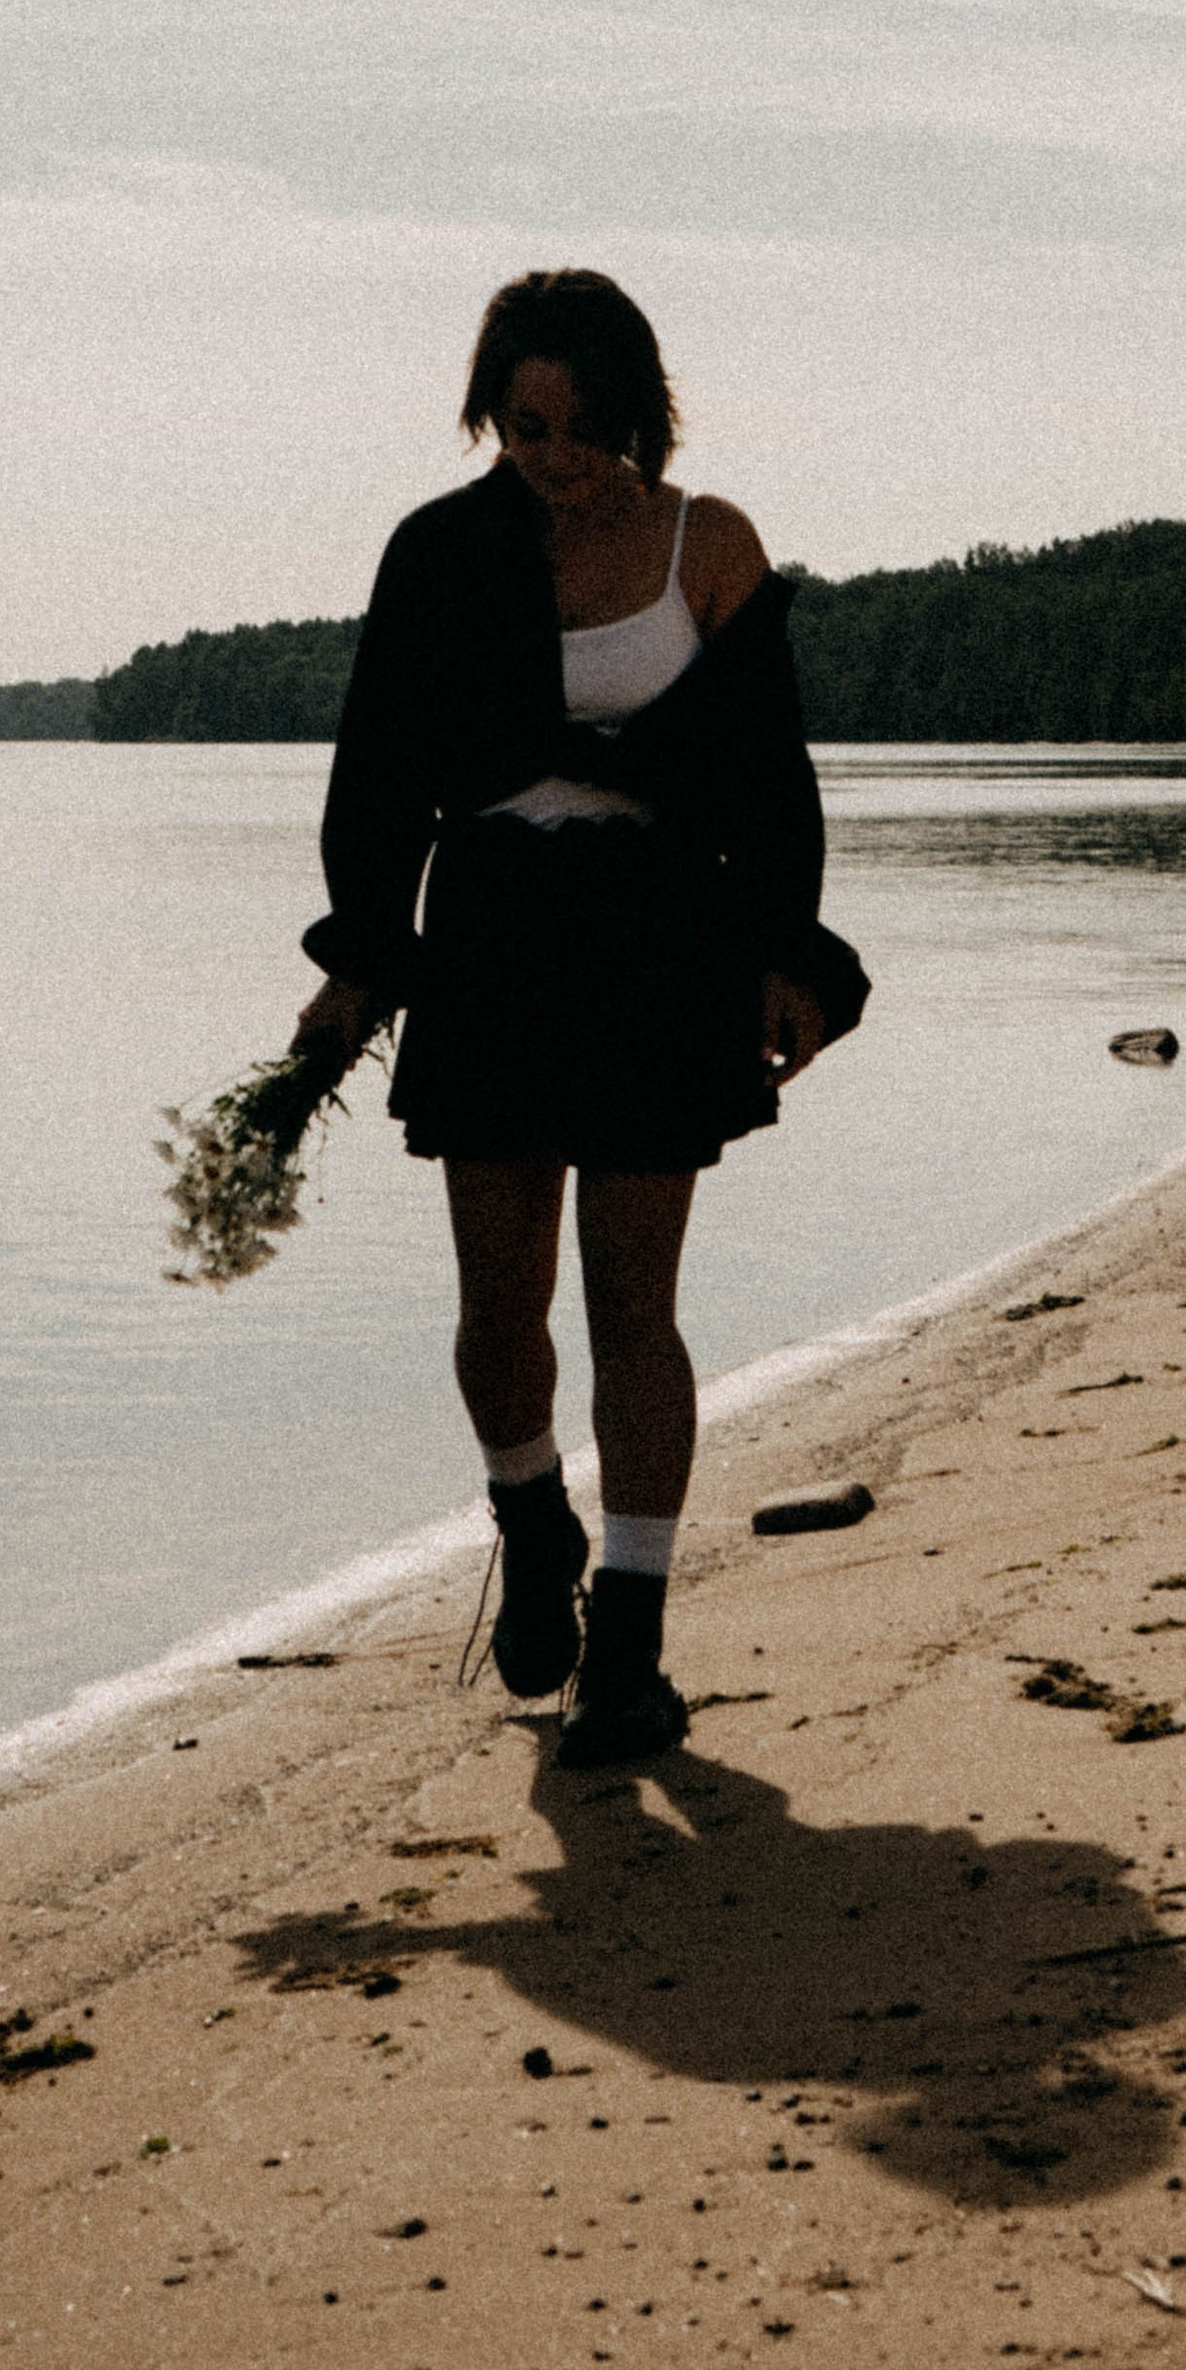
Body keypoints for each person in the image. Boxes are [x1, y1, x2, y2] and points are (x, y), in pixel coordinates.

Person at [294, 269, 866, 1768]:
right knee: (499, 1309)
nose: (551, 454)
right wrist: (359, 964)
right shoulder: (437, 551)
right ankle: (528, 1512)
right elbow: (381, 773)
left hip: (659, 945)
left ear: (635, 412)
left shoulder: (710, 546)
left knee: (634, 1308)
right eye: (522, 422)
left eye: (581, 424)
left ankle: (630, 1637)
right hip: (491, 940)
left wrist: (788, 957)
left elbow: (768, 781)